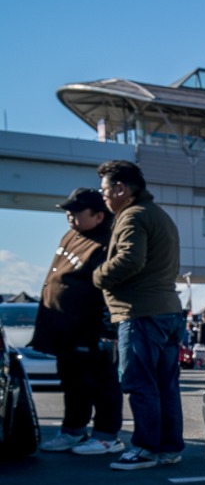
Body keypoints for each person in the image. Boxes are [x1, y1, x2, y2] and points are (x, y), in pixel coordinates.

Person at [92, 160, 185, 470]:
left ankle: (145, 448)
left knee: (140, 384)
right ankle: (168, 448)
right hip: (166, 311)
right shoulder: (157, 214)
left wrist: (98, 276)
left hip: (140, 313)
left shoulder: (133, 216)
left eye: (104, 190)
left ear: (120, 188)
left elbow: (130, 259)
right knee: (165, 386)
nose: (103, 196)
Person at [32, 188, 125, 454]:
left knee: (100, 382)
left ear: (98, 215)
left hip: (91, 329)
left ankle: (106, 436)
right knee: (72, 382)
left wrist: (107, 330)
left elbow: (111, 287)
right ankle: (73, 430)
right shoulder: (71, 235)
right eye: (68, 212)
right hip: (64, 328)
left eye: (76, 212)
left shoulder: (107, 242)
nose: (70, 216)